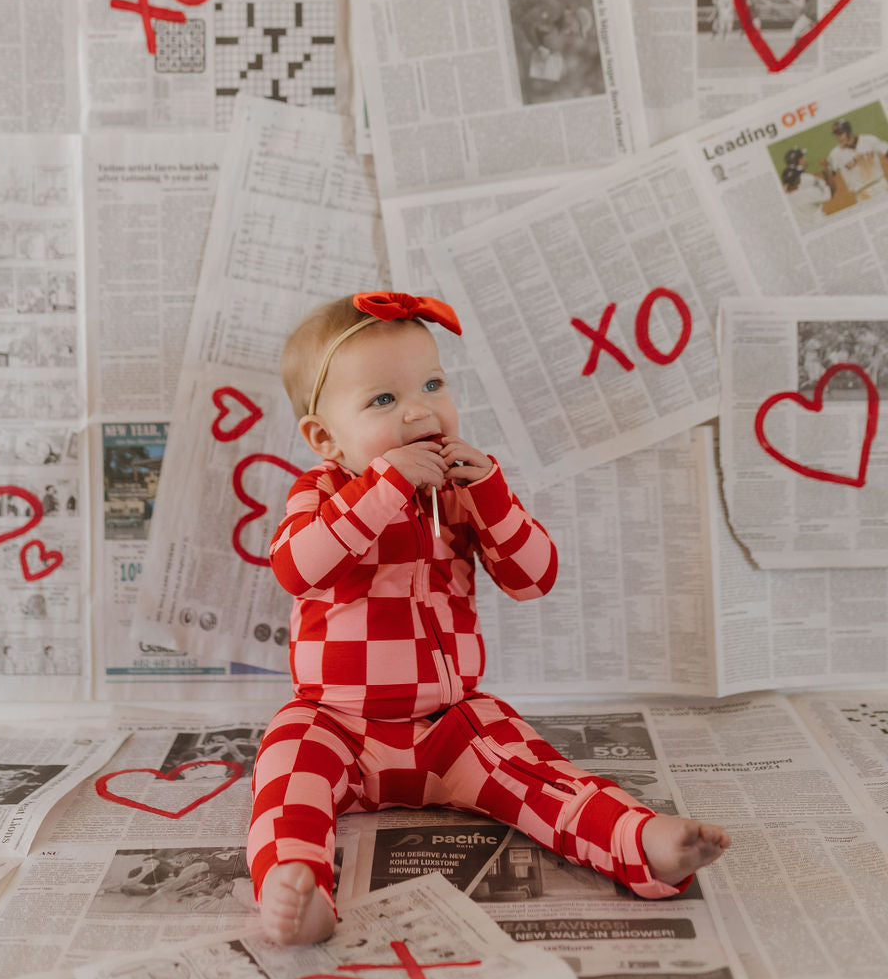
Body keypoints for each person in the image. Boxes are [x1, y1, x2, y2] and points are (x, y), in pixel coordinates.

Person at [247, 291, 730, 946]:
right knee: (286, 772)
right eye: (383, 400)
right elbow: (297, 568)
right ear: (324, 438)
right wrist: (384, 485)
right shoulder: (323, 492)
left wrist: (492, 493)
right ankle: (298, 886)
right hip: (338, 725)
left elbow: (535, 577)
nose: (420, 408)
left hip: (451, 725)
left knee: (535, 770)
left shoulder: (461, 493)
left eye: (432, 384)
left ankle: (639, 843)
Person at [823, 118, 888, 202]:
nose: (838, 137)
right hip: (861, 194)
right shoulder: (835, 154)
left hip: (880, 185)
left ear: (848, 131)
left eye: (840, 134)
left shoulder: (868, 140)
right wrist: (825, 169)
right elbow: (830, 176)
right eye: (836, 134)